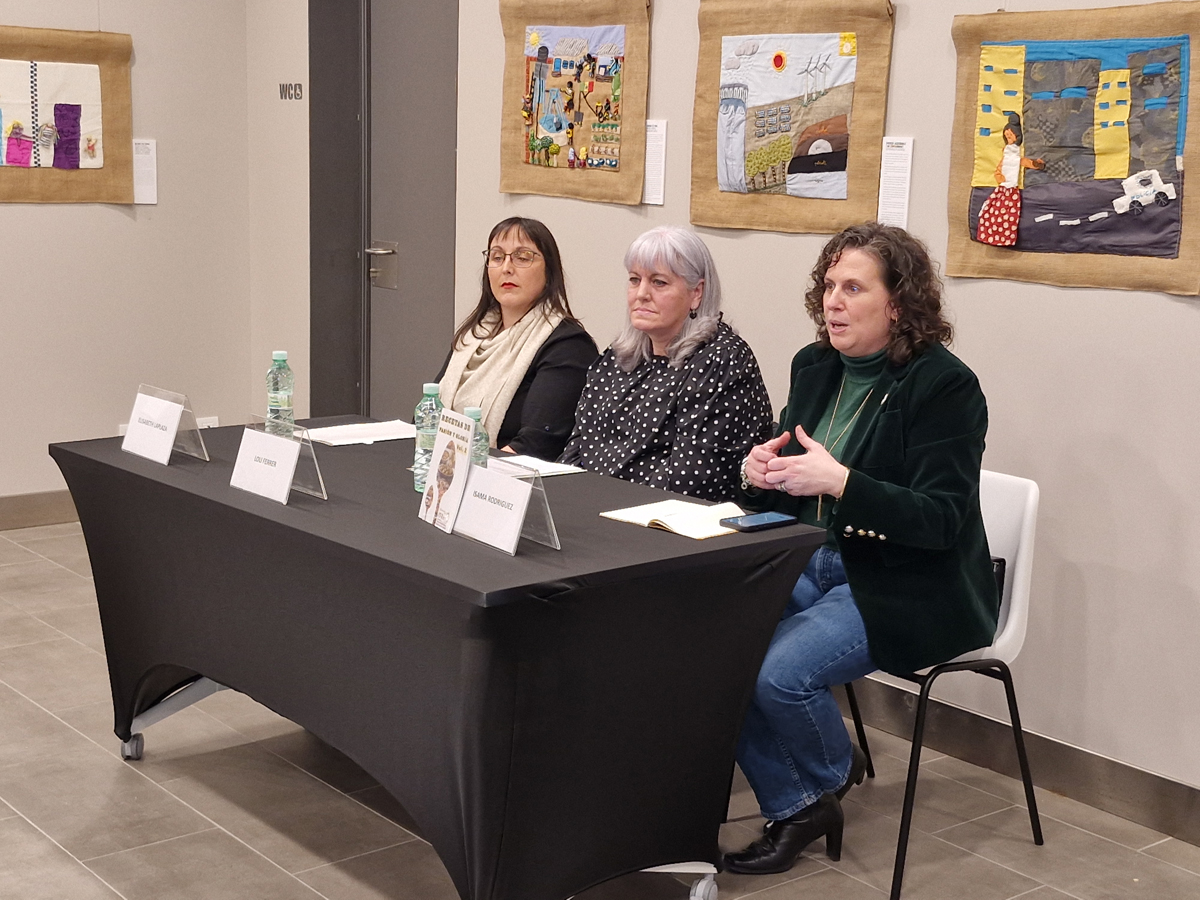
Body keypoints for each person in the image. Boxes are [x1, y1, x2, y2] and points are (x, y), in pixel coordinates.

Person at [725, 223, 1000, 874]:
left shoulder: (944, 386)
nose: (833, 302)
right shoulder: (814, 366)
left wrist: (844, 484)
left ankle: (811, 790)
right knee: (714, 652)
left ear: (898, 303)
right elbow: (789, 481)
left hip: (904, 578)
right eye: (829, 286)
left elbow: (940, 519)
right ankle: (814, 784)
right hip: (807, 558)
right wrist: (758, 473)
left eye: (853, 288)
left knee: (778, 674)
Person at [560, 226, 771, 501]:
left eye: (659, 282)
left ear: (696, 293)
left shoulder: (722, 360)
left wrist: (600, 500)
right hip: (590, 508)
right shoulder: (617, 355)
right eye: (634, 280)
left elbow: (691, 481)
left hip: (665, 518)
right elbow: (576, 448)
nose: (641, 293)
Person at [436, 217, 597, 460]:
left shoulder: (568, 346)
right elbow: (427, 415)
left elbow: (535, 444)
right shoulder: (473, 335)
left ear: (549, 271)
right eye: (497, 257)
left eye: (522, 257)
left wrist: (465, 472)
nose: (507, 268)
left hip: (508, 476)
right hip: (446, 469)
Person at [976, 112, 1044, 247]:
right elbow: (999, 169)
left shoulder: (1015, 157)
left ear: (1017, 136)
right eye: (1006, 135)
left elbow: (1025, 162)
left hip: (1010, 191)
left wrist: (1036, 164)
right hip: (1002, 189)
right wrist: (1000, 178)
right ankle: (991, 235)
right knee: (993, 212)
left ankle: (1004, 237)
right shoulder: (1006, 155)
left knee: (1007, 215)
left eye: (1010, 134)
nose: (1008, 136)